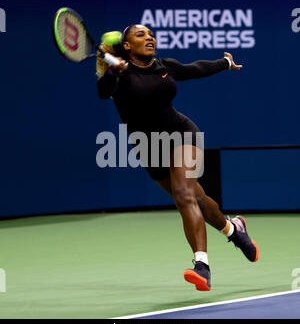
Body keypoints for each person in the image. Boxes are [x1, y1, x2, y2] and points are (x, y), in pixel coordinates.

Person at [97, 24, 259, 291]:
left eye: (151, 34)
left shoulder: (164, 66)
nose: (149, 37)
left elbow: (194, 69)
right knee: (196, 199)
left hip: (182, 134)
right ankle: (233, 228)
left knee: (184, 194)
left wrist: (224, 63)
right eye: (141, 35)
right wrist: (113, 69)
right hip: (150, 149)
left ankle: (202, 266)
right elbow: (103, 90)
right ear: (127, 45)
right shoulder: (118, 74)